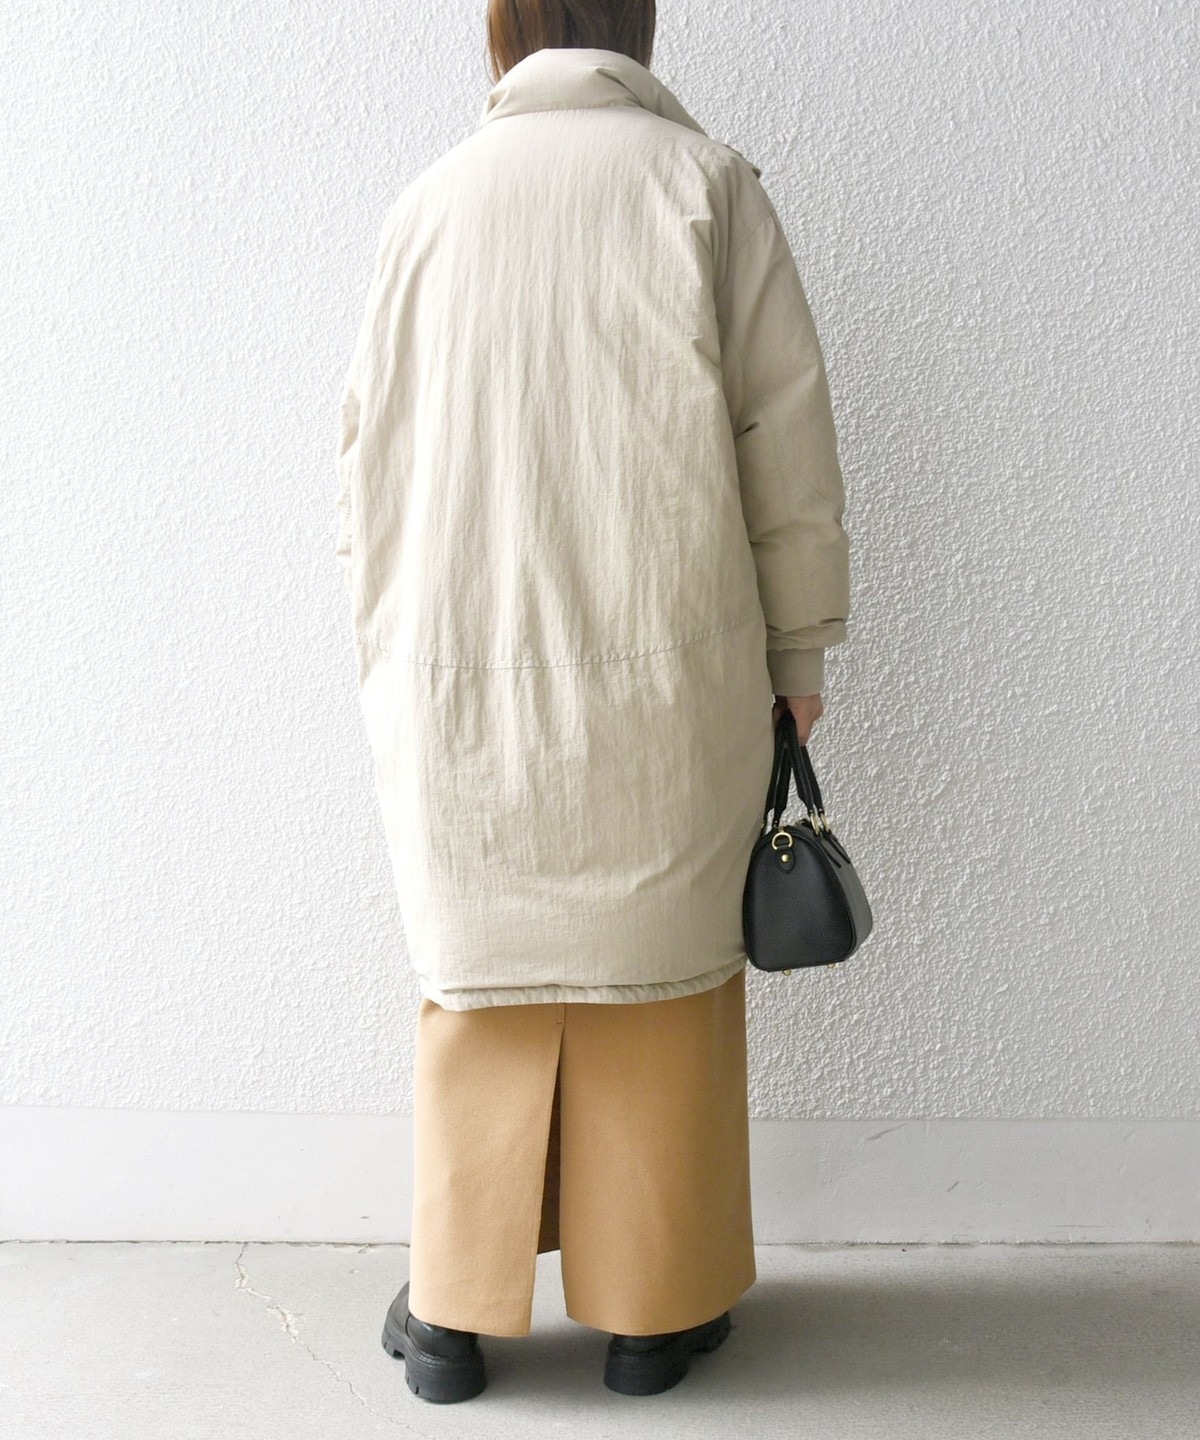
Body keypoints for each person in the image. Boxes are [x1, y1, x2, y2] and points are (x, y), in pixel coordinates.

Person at [333, 0, 851, 1404]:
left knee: (482, 982)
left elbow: (366, 469)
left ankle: (454, 1314)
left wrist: (385, 663)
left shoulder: (427, 207)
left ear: (503, 31)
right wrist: (799, 656)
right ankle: (653, 1316)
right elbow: (785, 446)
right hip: (670, 674)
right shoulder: (707, 189)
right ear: (636, 24)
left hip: (457, 677)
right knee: (660, 977)